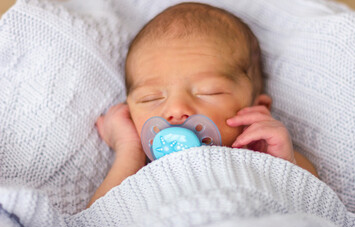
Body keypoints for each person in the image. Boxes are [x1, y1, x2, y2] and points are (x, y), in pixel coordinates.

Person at [87, 2, 318, 207]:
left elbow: (316, 204)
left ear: (257, 109)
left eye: (209, 92)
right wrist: (129, 149)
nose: (177, 109)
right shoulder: (137, 173)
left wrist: (286, 162)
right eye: (151, 98)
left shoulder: (260, 153)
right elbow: (96, 224)